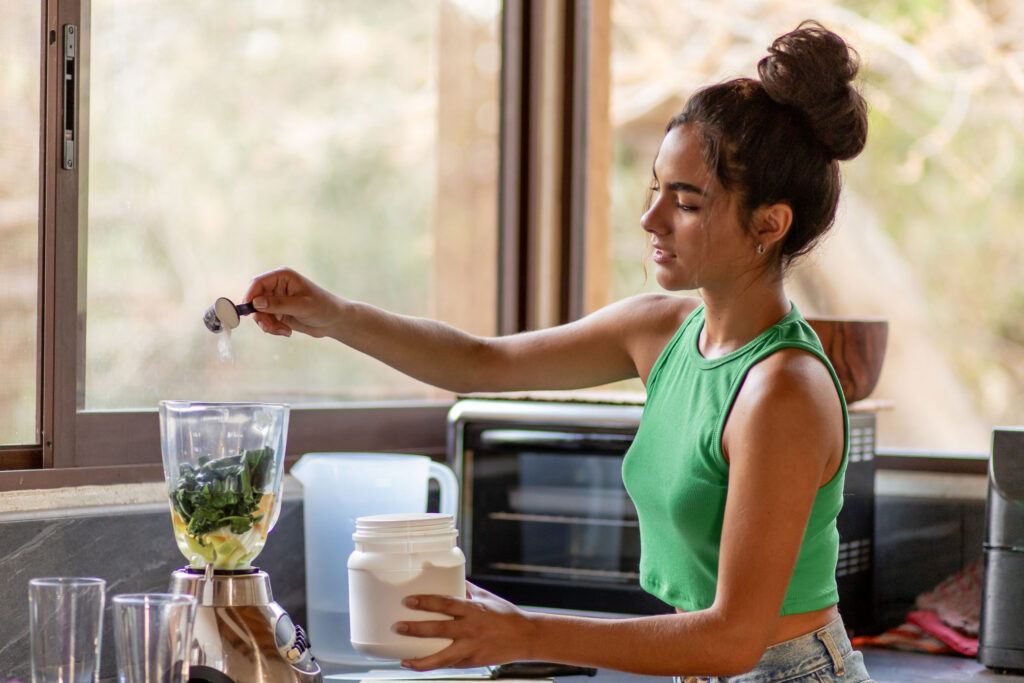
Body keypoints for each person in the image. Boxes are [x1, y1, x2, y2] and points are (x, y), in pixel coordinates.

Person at [242, 20, 873, 682]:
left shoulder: (783, 392)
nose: (650, 219)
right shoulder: (660, 330)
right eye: (654, 187)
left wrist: (522, 632)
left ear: (769, 224)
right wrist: (334, 316)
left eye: (685, 202)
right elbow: (479, 363)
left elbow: (732, 638)